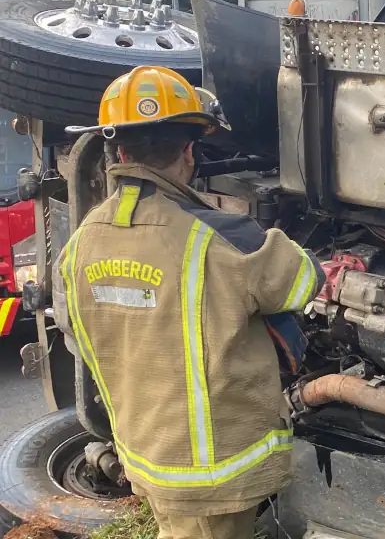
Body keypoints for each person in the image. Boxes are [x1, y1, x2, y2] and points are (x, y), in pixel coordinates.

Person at [54, 66, 321, 539]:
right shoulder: (224, 235)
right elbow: (304, 282)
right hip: (213, 475)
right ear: (189, 152)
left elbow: (76, 328)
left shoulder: (81, 242)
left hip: (146, 453)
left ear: (119, 152)